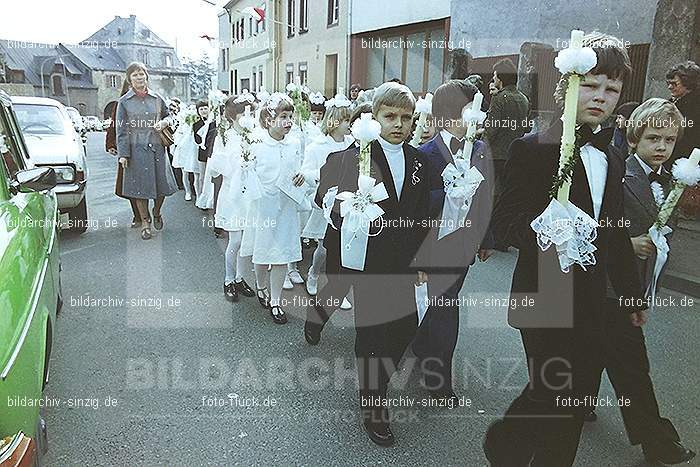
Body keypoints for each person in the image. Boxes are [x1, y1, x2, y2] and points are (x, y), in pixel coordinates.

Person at [484, 33, 647, 467]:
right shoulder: (532, 149)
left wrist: (631, 294)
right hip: (543, 292)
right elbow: (505, 222)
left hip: (592, 296)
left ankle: (510, 440)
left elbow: (615, 232)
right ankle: (514, 444)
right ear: (567, 86)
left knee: (574, 393)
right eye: (591, 84)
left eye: (611, 89)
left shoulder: (611, 157)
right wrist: (548, 229)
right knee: (555, 387)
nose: (601, 96)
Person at [311, 82, 430, 447]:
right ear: (374, 117)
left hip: (404, 263)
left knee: (406, 328)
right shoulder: (354, 155)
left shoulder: (420, 161)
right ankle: (373, 404)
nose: (398, 124)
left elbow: (424, 214)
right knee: (373, 335)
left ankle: (376, 378)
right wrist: (346, 208)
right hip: (366, 262)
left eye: (405, 118)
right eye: (389, 116)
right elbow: (324, 195)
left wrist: (423, 260)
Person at [583, 98, 695, 465]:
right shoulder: (615, 173)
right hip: (609, 286)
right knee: (633, 367)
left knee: (598, 349)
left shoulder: (675, 181)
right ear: (634, 139)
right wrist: (627, 242)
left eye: (669, 140)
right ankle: (657, 442)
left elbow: (667, 231)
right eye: (653, 139)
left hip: (638, 285)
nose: (662, 147)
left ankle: (578, 399)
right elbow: (595, 225)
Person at [412, 80, 495, 400]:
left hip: (461, 244)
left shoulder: (480, 149)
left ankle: (425, 348)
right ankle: (438, 378)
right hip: (431, 243)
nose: (478, 115)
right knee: (442, 306)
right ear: (446, 116)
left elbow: (486, 195)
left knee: (444, 302)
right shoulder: (425, 154)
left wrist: (486, 237)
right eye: (468, 110)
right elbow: (416, 210)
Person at [247, 93, 306, 324]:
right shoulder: (258, 144)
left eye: (291, 116)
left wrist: (302, 176)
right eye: (283, 116)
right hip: (265, 206)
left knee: (281, 254)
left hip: (287, 205)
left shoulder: (294, 143)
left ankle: (276, 301)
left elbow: (298, 168)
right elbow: (249, 173)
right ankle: (260, 285)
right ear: (269, 119)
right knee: (263, 253)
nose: (288, 121)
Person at [116, 61, 179, 240]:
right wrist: (123, 155)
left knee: (162, 186)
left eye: (141, 73)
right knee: (139, 189)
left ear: (146, 76)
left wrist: (164, 122)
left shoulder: (157, 98)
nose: (139, 77)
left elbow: (169, 115)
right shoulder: (124, 102)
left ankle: (157, 211)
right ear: (129, 79)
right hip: (136, 150)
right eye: (135, 75)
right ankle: (145, 222)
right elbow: (120, 130)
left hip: (157, 148)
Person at [300, 94, 354, 296]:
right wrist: (326, 175)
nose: (350, 124)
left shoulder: (353, 143)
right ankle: (314, 272)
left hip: (348, 202)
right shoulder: (317, 146)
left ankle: (337, 289)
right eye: (346, 120)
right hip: (327, 203)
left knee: (343, 249)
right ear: (334, 122)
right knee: (324, 247)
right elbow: (307, 172)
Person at [209, 95, 257, 302]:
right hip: (233, 193)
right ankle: (228, 279)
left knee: (246, 241)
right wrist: (237, 167)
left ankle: (240, 277)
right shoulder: (225, 137)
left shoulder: (254, 135)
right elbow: (216, 166)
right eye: (244, 113)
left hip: (250, 193)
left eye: (251, 113)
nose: (248, 117)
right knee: (235, 240)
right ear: (233, 116)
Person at [484, 58, 530, 252]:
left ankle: (490, 236)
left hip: (496, 153)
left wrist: (480, 139)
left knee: (490, 195)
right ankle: (504, 237)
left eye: (495, 76)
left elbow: (491, 129)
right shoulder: (523, 98)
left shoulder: (499, 98)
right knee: (507, 196)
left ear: (500, 78)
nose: (493, 79)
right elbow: (524, 127)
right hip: (516, 153)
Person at [106, 76, 140, 227]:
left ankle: (151, 213)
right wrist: (111, 143)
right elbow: (115, 124)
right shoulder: (122, 103)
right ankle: (138, 216)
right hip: (127, 148)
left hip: (146, 146)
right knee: (130, 184)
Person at [665, 61, 699, 167]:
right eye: (668, 83)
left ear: (688, 83)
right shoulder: (669, 103)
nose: (669, 87)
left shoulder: (696, 105)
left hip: (687, 162)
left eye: (674, 83)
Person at [171, 104, 201, 201]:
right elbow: (177, 139)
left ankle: (198, 194)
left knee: (197, 173)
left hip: (194, 149)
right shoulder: (182, 125)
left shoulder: (198, 123)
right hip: (184, 149)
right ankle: (187, 192)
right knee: (185, 172)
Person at [193, 101, 217, 210]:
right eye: (201, 109)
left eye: (205, 108)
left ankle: (211, 198)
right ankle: (201, 197)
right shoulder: (196, 125)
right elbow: (197, 140)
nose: (203, 111)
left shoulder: (214, 123)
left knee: (212, 176)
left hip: (212, 152)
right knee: (202, 176)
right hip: (202, 152)